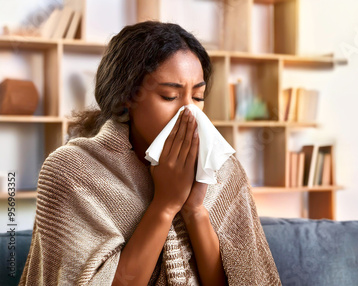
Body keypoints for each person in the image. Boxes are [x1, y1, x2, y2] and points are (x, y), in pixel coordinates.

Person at [19, 21, 281, 286]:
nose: (189, 113)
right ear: (126, 97)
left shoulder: (224, 170)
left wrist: (195, 210)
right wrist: (165, 205)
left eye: (198, 97)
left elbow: (242, 279)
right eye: (170, 96)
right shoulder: (71, 171)